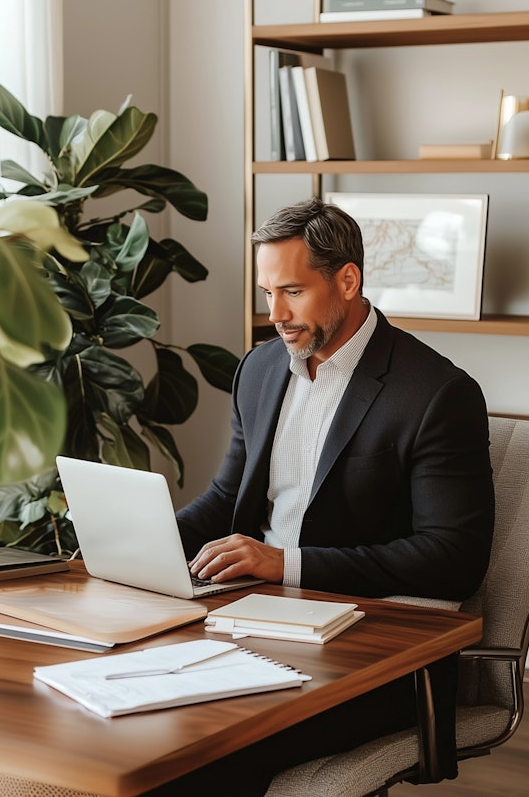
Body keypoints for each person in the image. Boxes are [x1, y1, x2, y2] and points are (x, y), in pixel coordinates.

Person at [149, 196, 495, 797]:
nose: (275, 313)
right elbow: (228, 499)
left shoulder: (438, 394)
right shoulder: (259, 370)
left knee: (201, 748)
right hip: (250, 617)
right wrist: (139, 538)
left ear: (347, 280)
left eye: (292, 292)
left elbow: (453, 558)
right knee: (137, 714)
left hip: (372, 649)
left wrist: (288, 565)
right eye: (266, 294)